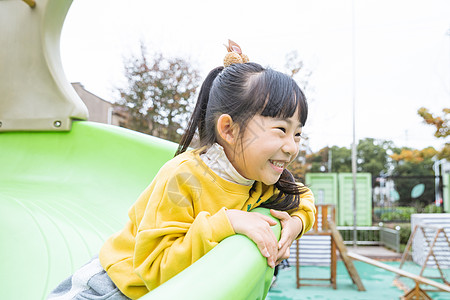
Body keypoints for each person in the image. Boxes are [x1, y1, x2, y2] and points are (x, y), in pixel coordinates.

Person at [48, 41, 316, 300]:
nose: (292, 147)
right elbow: (155, 267)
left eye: (298, 134)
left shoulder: (259, 176)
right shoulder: (185, 177)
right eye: (281, 130)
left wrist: (295, 224)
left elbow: (303, 197)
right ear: (229, 130)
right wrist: (228, 222)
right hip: (117, 287)